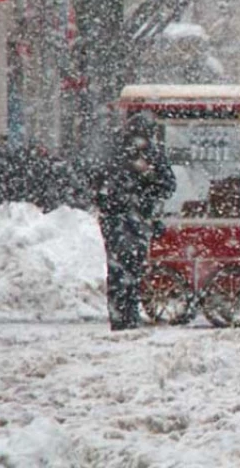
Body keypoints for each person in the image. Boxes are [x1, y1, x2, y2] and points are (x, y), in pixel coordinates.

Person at [94, 113, 175, 330]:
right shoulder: (118, 156)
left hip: (132, 219)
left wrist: (147, 175)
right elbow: (99, 182)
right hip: (123, 219)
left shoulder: (149, 155)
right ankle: (123, 315)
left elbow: (167, 185)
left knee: (127, 269)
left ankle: (124, 314)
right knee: (124, 269)